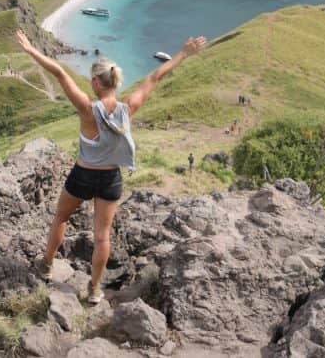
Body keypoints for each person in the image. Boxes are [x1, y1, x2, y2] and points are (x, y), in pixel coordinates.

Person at [15, 30, 207, 304]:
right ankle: (94, 290)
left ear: (96, 82)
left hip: (82, 174)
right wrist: (183, 53)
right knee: (102, 236)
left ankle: (46, 266)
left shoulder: (86, 108)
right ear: (115, 82)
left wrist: (31, 50)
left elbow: (59, 73)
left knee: (61, 218)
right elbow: (155, 77)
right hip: (111, 179)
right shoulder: (128, 108)